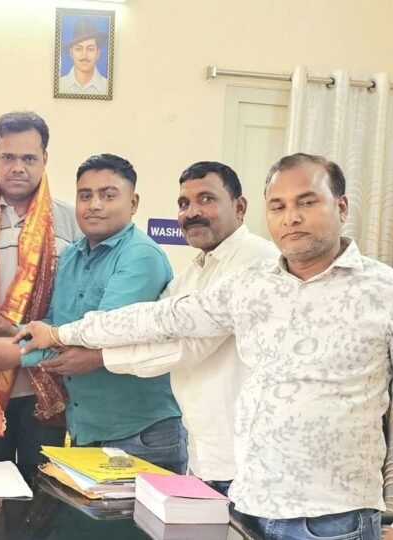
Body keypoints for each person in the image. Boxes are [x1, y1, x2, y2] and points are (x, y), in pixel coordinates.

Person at [19, 153, 393, 540]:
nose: (291, 217)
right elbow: (160, 319)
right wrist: (60, 334)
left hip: (331, 518)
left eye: (307, 202)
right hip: (246, 503)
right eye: (279, 206)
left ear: (341, 207)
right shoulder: (252, 285)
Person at [0, 154, 186, 474]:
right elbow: (56, 324)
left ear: (133, 203)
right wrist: (11, 328)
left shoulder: (140, 256)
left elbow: (102, 336)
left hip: (138, 432)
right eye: (85, 195)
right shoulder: (73, 255)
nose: (94, 205)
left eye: (108, 195)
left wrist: (14, 355)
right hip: (86, 426)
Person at [99, 161, 277, 494]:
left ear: (240, 207)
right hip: (204, 458)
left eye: (207, 199)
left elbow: (188, 346)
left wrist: (94, 356)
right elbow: (151, 326)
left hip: (250, 466)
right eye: (184, 203)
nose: (192, 212)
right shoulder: (192, 274)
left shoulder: (259, 260)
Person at [0, 111, 79, 481]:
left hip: (48, 379)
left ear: (45, 159)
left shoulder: (70, 220)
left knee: (45, 485)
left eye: (28, 158)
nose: (17, 167)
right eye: (7, 157)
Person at [58, 17, 109, 95]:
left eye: (90, 49)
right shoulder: (60, 85)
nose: (84, 56)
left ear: (98, 53)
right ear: (71, 53)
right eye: (78, 49)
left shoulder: (106, 87)